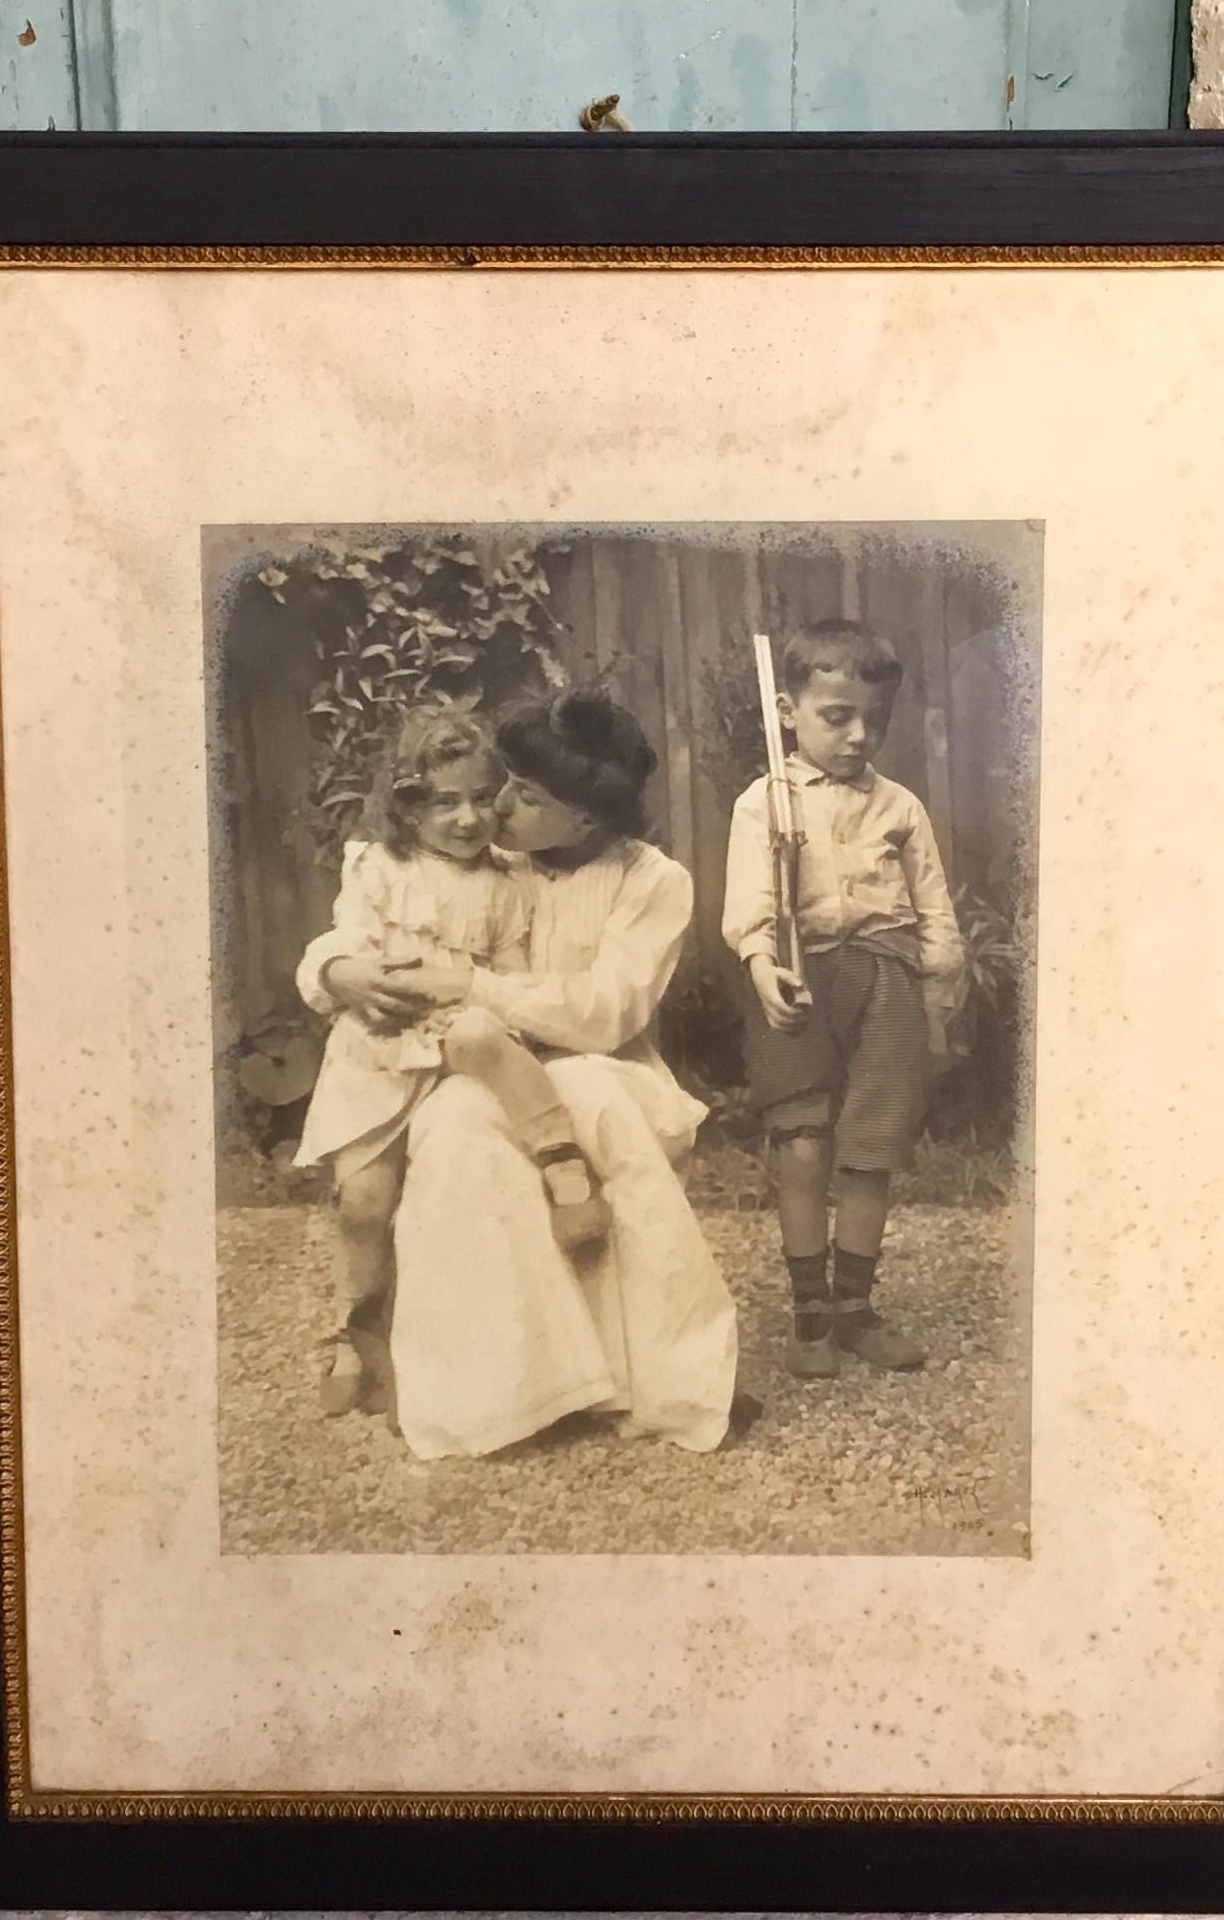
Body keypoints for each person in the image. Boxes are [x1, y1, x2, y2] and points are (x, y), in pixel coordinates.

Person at [311, 688, 739, 1461]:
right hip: (480, 1064)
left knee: (593, 1103)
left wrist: (470, 986)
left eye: (527, 796)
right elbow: (371, 913)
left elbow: (605, 1013)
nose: (498, 807)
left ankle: (655, 1374)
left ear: (586, 819)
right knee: (452, 1130)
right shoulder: (487, 854)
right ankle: (499, 1390)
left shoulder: (652, 879)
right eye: (505, 784)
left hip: (604, 1064)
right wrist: (335, 969)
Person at [291, 706, 613, 1420]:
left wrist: (488, 1005)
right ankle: (357, 1330)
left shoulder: (506, 883)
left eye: (481, 798)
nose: (467, 818)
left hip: (456, 1054)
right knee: (364, 1203)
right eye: (444, 802)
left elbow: (513, 974)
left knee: (448, 1183)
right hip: (377, 1054)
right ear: (407, 804)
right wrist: (347, 972)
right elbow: (342, 940)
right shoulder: (378, 866)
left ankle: (559, 1158)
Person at [721, 618, 965, 1379]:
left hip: (886, 979)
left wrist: (940, 984)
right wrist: (761, 964)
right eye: (837, 716)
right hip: (797, 979)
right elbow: (749, 906)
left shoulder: (900, 806)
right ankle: (811, 1315)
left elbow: (934, 906)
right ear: (787, 710)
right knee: (801, 1145)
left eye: (875, 719)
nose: (859, 735)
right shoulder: (763, 803)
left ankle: (855, 1308)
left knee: (870, 1149)